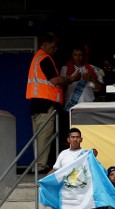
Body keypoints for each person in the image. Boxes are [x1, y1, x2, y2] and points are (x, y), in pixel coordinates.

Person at [26, 33, 68, 171]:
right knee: (44, 137)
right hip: (45, 104)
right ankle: (40, 167)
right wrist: (70, 79)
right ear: (45, 45)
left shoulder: (36, 58)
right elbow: (55, 80)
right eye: (53, 46)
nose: (55, 49)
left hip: (36, 104)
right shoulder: (45, 58)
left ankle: (38, 166)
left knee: (38, 138)